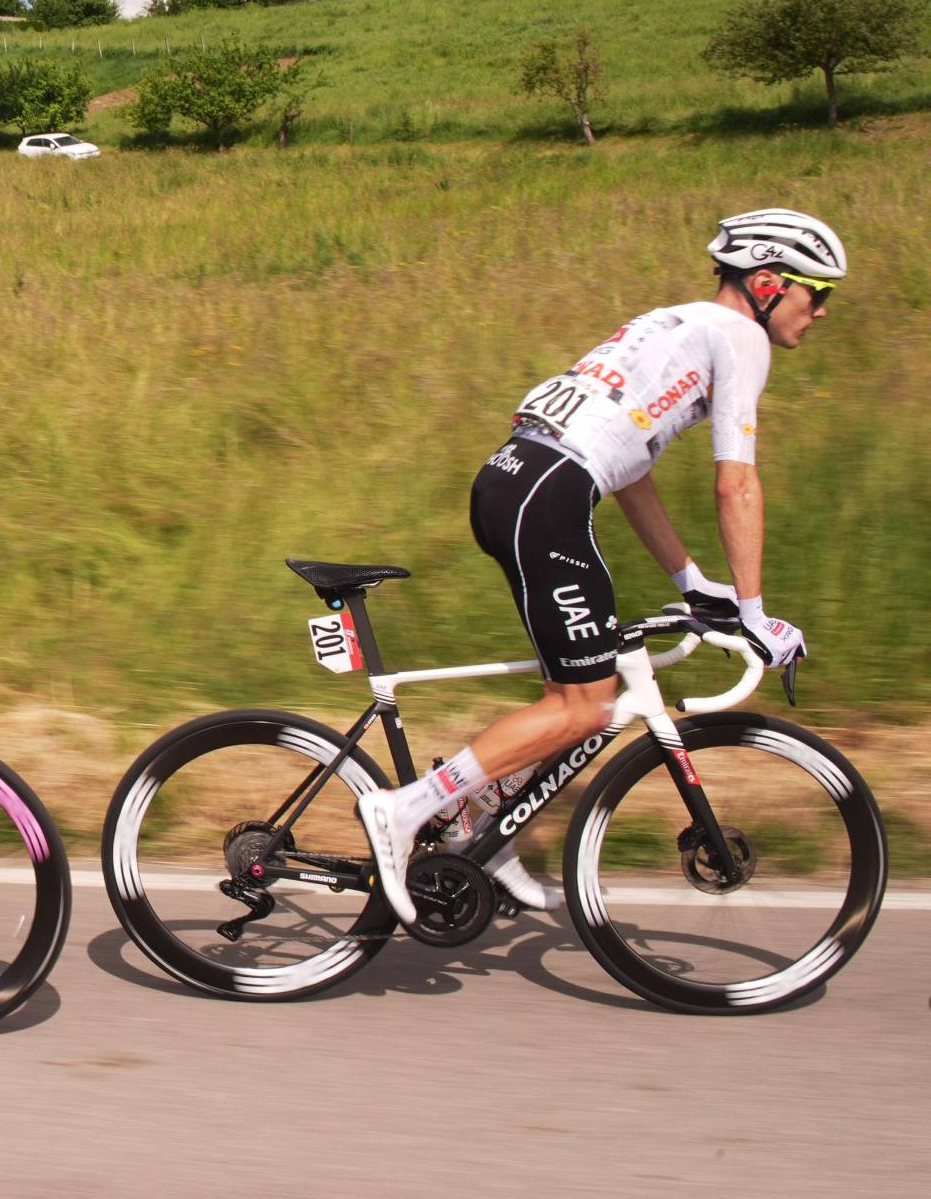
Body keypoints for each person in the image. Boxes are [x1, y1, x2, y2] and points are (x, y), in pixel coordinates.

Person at [357, 209, 844, 924]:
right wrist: (752, 610)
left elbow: (630, 470)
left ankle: (480, 834)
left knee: (581, 694)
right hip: (544, 496)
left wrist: (690, 580)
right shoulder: (739, 335)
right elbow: (736, 482)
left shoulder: (673, 324)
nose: (823, 310)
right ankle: (404, 810)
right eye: (816, 291)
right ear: (769, 283)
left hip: (519, 481)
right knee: (582, 705)